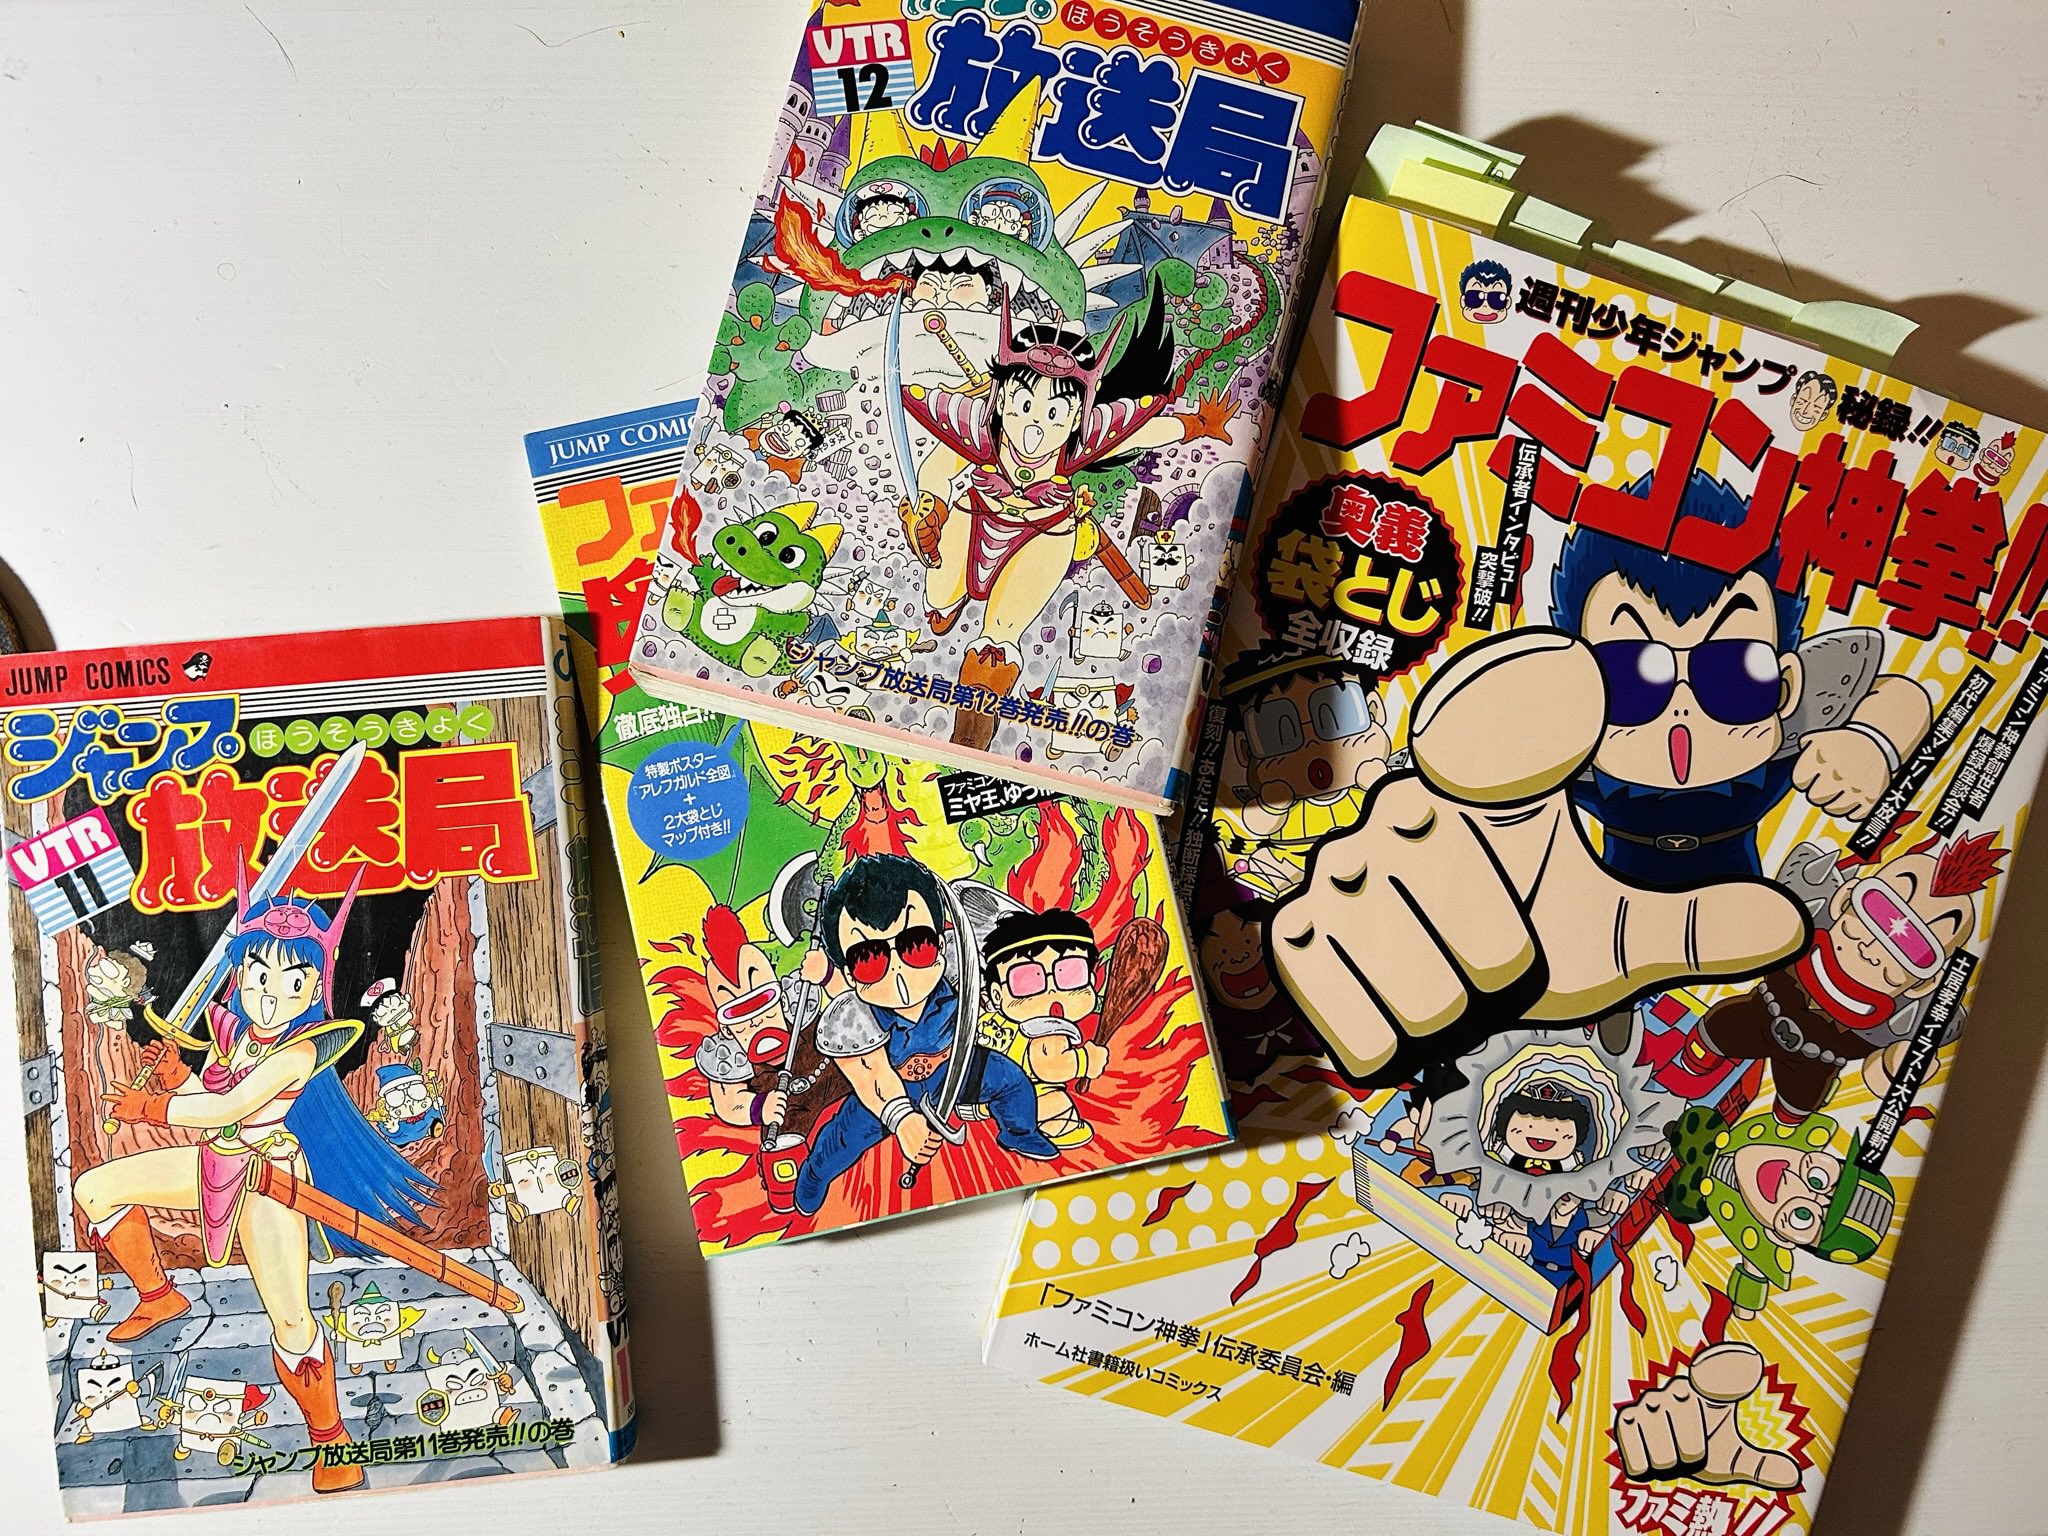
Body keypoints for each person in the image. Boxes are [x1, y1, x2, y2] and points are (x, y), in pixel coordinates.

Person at [82, 872, 433, 1495]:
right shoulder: (239, 1036)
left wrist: (153, 1109)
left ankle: (331, 1441)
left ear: (314, 987)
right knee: (95, 1190)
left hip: (269, 1181)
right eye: (258, 976)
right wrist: (176, 1078)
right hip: (219, 1162)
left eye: (292, 982)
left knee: (292, 1320)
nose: (270, 995)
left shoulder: (300, 1051)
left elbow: (230, 1107)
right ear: (240, 975)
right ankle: (159, 1296)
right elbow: (214, 1101)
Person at [898, 277, 1235, 747]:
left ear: (1077, 416)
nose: (1035, 424)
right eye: (1024, 404)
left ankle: (971, 738)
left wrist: (1197, 425)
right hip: (974, 518)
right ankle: (945, 605)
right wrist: (930, 512)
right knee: (940, 596)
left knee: (998, 640)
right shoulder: (978, 427)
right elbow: (939, 467)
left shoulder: (1083, 441)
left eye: (1056, 412)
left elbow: (1141, 434)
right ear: (1002, 400)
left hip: (1043, 534)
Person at [793, 856, 1054, 1214]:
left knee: (1012, 1082)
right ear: (850, 974)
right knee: (841, 1141)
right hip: (894, 1087)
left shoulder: (960, 964)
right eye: (869, 958)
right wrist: (901, 1118)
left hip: (956, 1065)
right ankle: (814, 1174)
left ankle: (1020, 1132)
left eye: (916, 944)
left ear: (940, 941)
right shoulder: (852, 1017)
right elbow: (872, 1076)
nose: (897, 969)